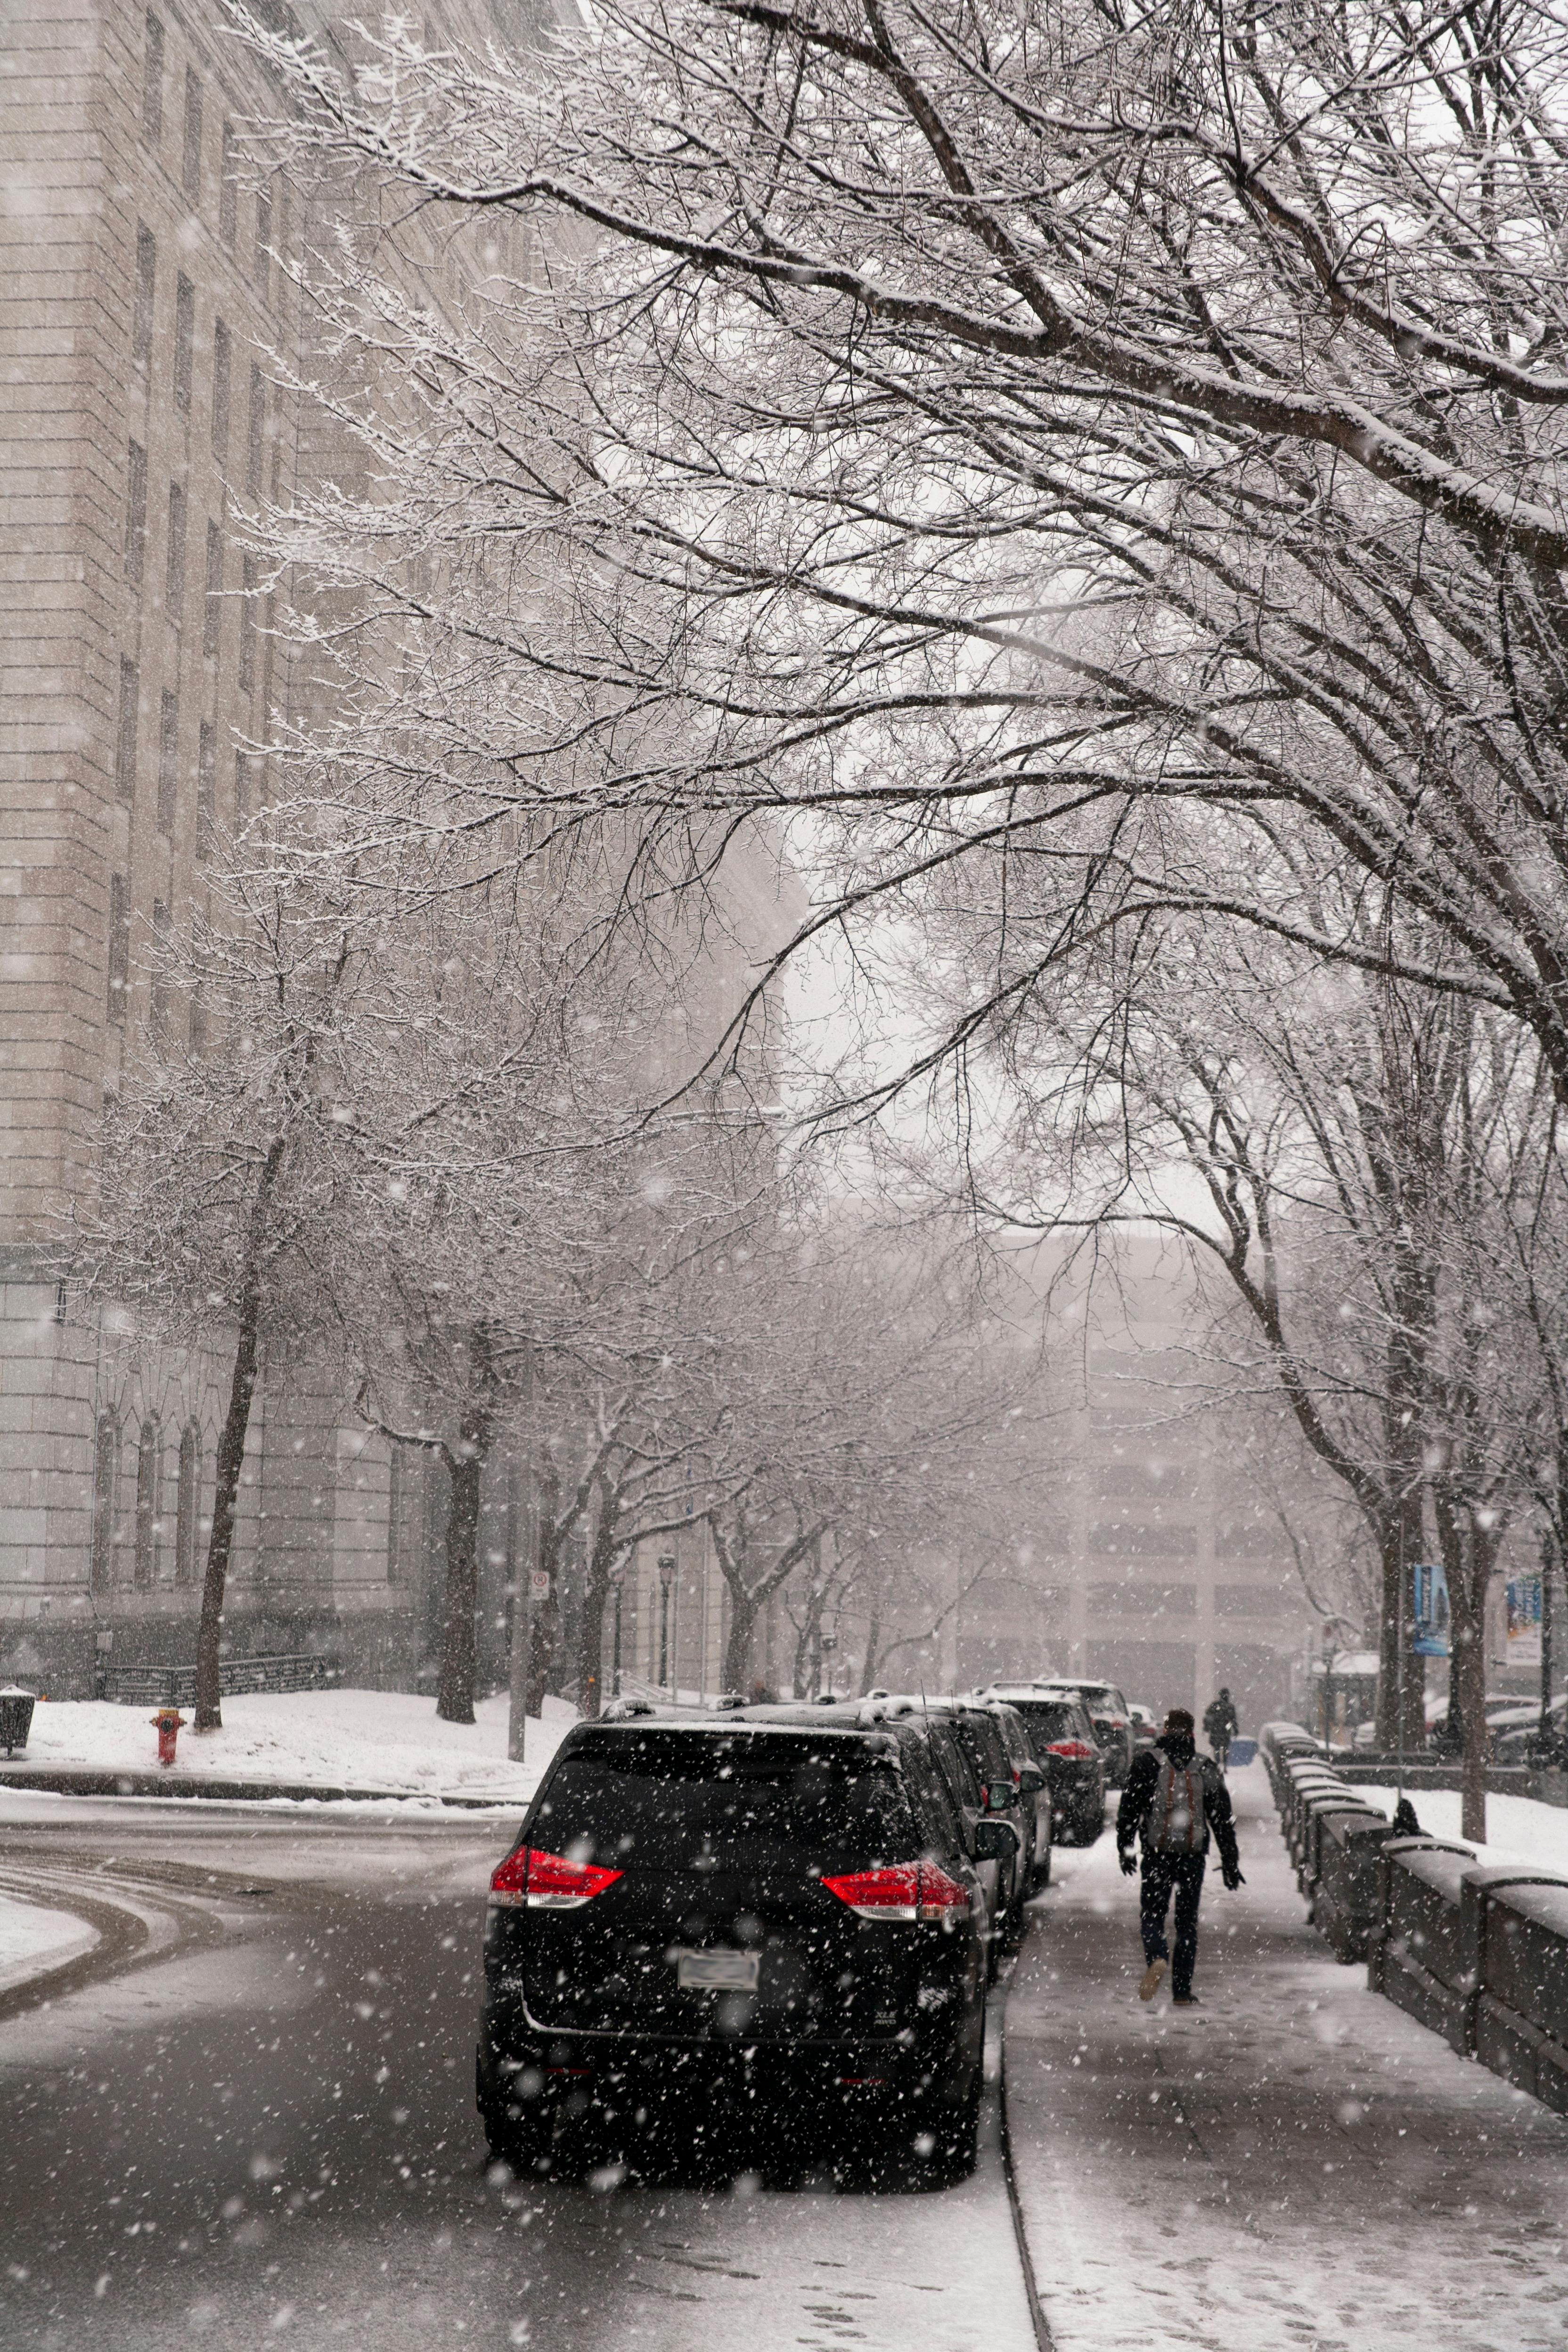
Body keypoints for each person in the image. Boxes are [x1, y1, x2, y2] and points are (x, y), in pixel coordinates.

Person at [1118, 1707, 1243, 2007]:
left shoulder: (1148, 1763)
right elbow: (1222, 1819)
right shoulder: (1204, 1767)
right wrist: (1230, 1861)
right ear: (1191, 1733)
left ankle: (1157, 1957)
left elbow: (1129, 1810)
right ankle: (1183, 1992)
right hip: (1192, 1857)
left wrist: (1126, 1849)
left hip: (1157, 1856)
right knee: (1187, 1924)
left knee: (1152, 1916)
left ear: (1165, 1731)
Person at [1202, 1687, 1240, 1771]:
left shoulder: (1215, 1705)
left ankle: (1219, 1765)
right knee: (1225, 1749)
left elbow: (1208, 1716)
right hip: (1226, 1730)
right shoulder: (1230, 1707)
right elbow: (1233, 1720)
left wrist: (1206, 1728)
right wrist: (1235, 1730)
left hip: (1216, 1730)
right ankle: (1224, 1765)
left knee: (1217, 1749)